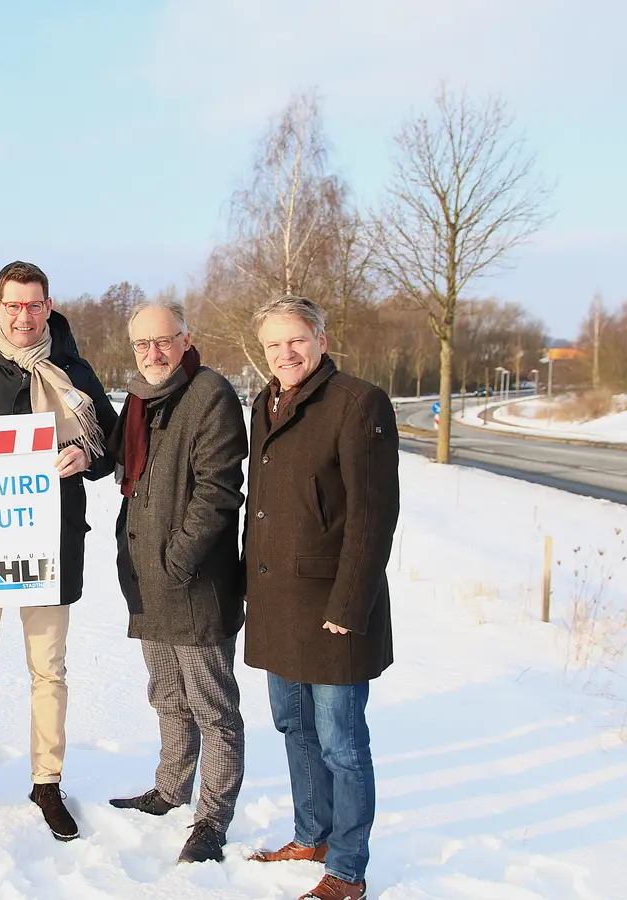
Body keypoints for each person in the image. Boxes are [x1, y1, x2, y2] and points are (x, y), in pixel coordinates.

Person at [0, 260, 118, 841]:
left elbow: (110, 450)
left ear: (49, 306)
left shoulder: (76, 373)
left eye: (34, 304)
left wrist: (87, 457)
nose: (24, 315)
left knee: (48, 673)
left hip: (53, 546)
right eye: (13, 304)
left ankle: (47, 782)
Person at [241, 296, 400, 900]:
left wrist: (348, 605)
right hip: (277, 601)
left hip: (332, 605)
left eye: (297, 340)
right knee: (294, 727)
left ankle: (348, 869)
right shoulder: (265, 403)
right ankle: (312, 836)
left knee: (342, 742)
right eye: (274, 344)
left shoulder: (358, 403)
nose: (286, 353)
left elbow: (372, 514)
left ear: (321, 340)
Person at [106, 300, 248, 864]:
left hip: (192, 586)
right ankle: (170, 788)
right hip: (146, 582)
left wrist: (176, 563)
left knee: (213, 707)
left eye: (163, 341)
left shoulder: (210, 395)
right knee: (167, 696)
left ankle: (212, 820)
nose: (153, 353)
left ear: (186, 340)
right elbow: (116, 463)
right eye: (142, 344)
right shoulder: (140, 399)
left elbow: (217, 490)